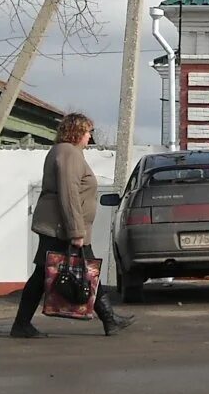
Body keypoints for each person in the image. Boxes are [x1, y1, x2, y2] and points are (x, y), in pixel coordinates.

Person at [11, 112, 136, 339]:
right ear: (77, 132)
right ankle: (108, 320)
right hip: (62, 229)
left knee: (63, 272)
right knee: (66, 272)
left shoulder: (68, 152)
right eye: (88, 132)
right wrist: (75, 232)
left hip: (62, 227)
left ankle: (109, 319)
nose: (90, 137)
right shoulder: (68, 153)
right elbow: (69, 195)